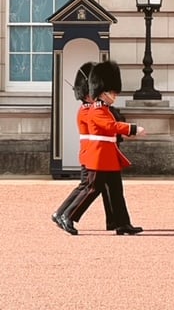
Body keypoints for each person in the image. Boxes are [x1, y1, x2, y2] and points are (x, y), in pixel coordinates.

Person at [58, 60, 146, 236]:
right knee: (92, 188)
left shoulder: (104, 108)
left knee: (116, 191)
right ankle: (69, 215)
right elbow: (109, 126)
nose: (115, 95)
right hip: (99, 157)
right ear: (102, 92)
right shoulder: (96, 110)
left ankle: (122, 223)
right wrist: (132, 128)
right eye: (112, 92)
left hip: (108, 156)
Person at [52, 61, 116, 233]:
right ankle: (68, 216)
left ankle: (60, 213)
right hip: (93, 155)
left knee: (84, 186)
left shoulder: (89, 108)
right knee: (91, 188)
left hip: (92, 153)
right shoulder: (89, 110)